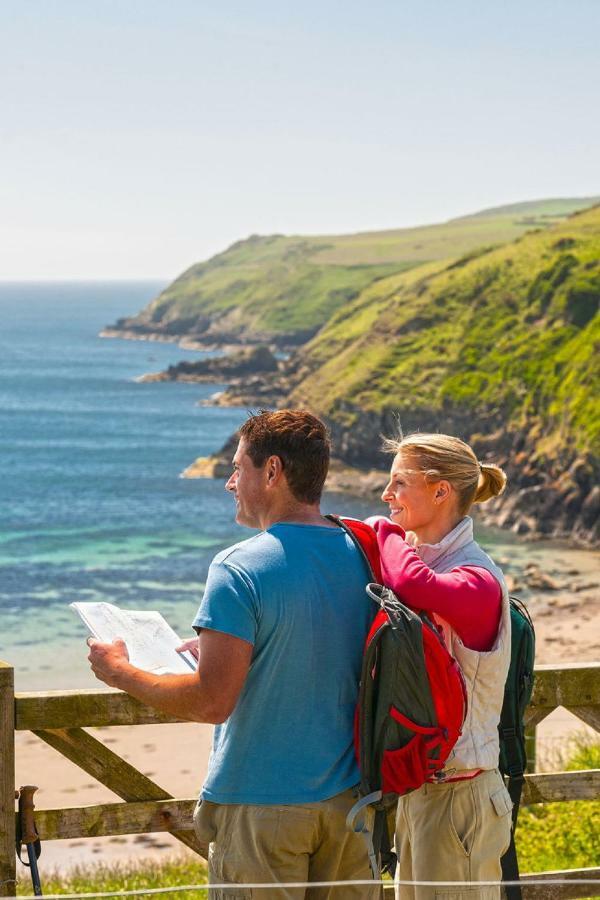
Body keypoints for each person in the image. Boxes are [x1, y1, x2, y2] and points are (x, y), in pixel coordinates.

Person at [87, 409, 380, 900]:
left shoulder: (237, 566)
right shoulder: (363, 551)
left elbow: (211, 702)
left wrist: (121, 672)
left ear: (272, 472)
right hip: (350, 805)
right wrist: (241, 643)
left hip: (262, 806)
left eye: (238, 467)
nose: (229, 483)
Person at [367, 432, 513, 900]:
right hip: (421, 792)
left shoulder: (477, 579)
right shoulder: (430, 563)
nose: (387, 495)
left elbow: (413, 583)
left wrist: (383, 531)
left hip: (460, 797)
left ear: (440, 490)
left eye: (399, 483)